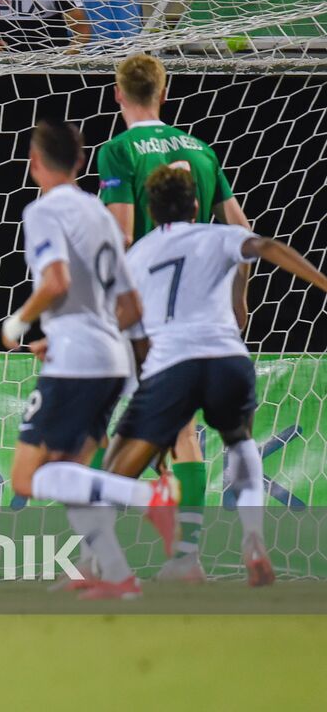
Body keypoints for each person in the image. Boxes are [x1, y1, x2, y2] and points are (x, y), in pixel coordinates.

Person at [102, 166, 327, 588]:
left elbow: (131, 329)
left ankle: (105, 563)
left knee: (118, 464)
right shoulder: (218, 234)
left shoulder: (137, 256)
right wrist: (321, 282)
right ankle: (254, 540)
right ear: (194, 205)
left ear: (150, 209)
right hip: (227, 358)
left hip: (171, 366)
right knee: (239, 439)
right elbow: (265, 246)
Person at [0, 119, 177, 601]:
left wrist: (18, 326)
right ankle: (117, 576)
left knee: (26, 477)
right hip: (111, 360)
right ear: (80, 162)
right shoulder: (103, 215)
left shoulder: (43, 211)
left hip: (77, 363)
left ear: (35, 164)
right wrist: (67, 334)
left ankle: (149, 498)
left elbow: (54, 282)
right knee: (76, 478)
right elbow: (131, 307)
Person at [97, 52, 253, 582]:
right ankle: (187, 556)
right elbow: (241, 229)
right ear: (163, 91)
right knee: (182, 433)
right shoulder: (202, 151)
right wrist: (239, 300)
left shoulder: (118, 151)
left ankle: (98, 555)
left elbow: (119, 237)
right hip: (192, 318)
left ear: (118, 94)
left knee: (99, 428)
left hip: (140, 313)